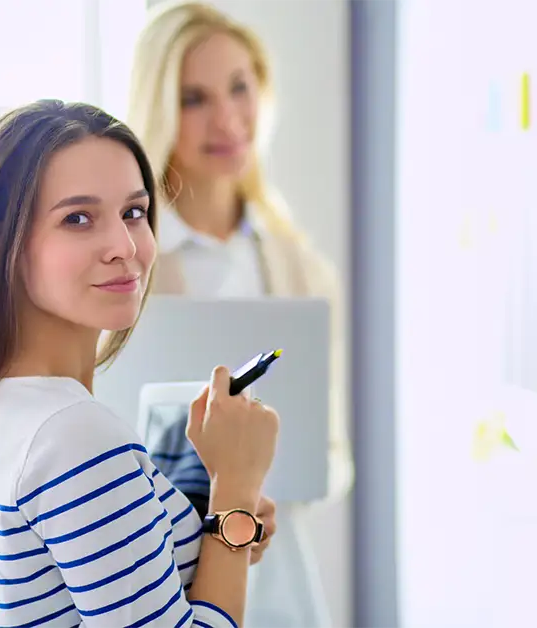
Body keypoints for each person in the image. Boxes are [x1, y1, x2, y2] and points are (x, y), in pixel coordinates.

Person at [0, 99, 284, 628]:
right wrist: (236, 486)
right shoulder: (75, 436)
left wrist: (216, 528)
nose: (123, 246)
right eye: (77, 219)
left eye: (134, 213)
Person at [126, 2, 354, 626]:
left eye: (239, 88)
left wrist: (264, 482)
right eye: (193, 98)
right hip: (157, 573)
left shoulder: (303, 269)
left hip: (279, 578)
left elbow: (331, 456)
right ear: (159, 108)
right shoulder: (128, 265)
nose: (227, 118)